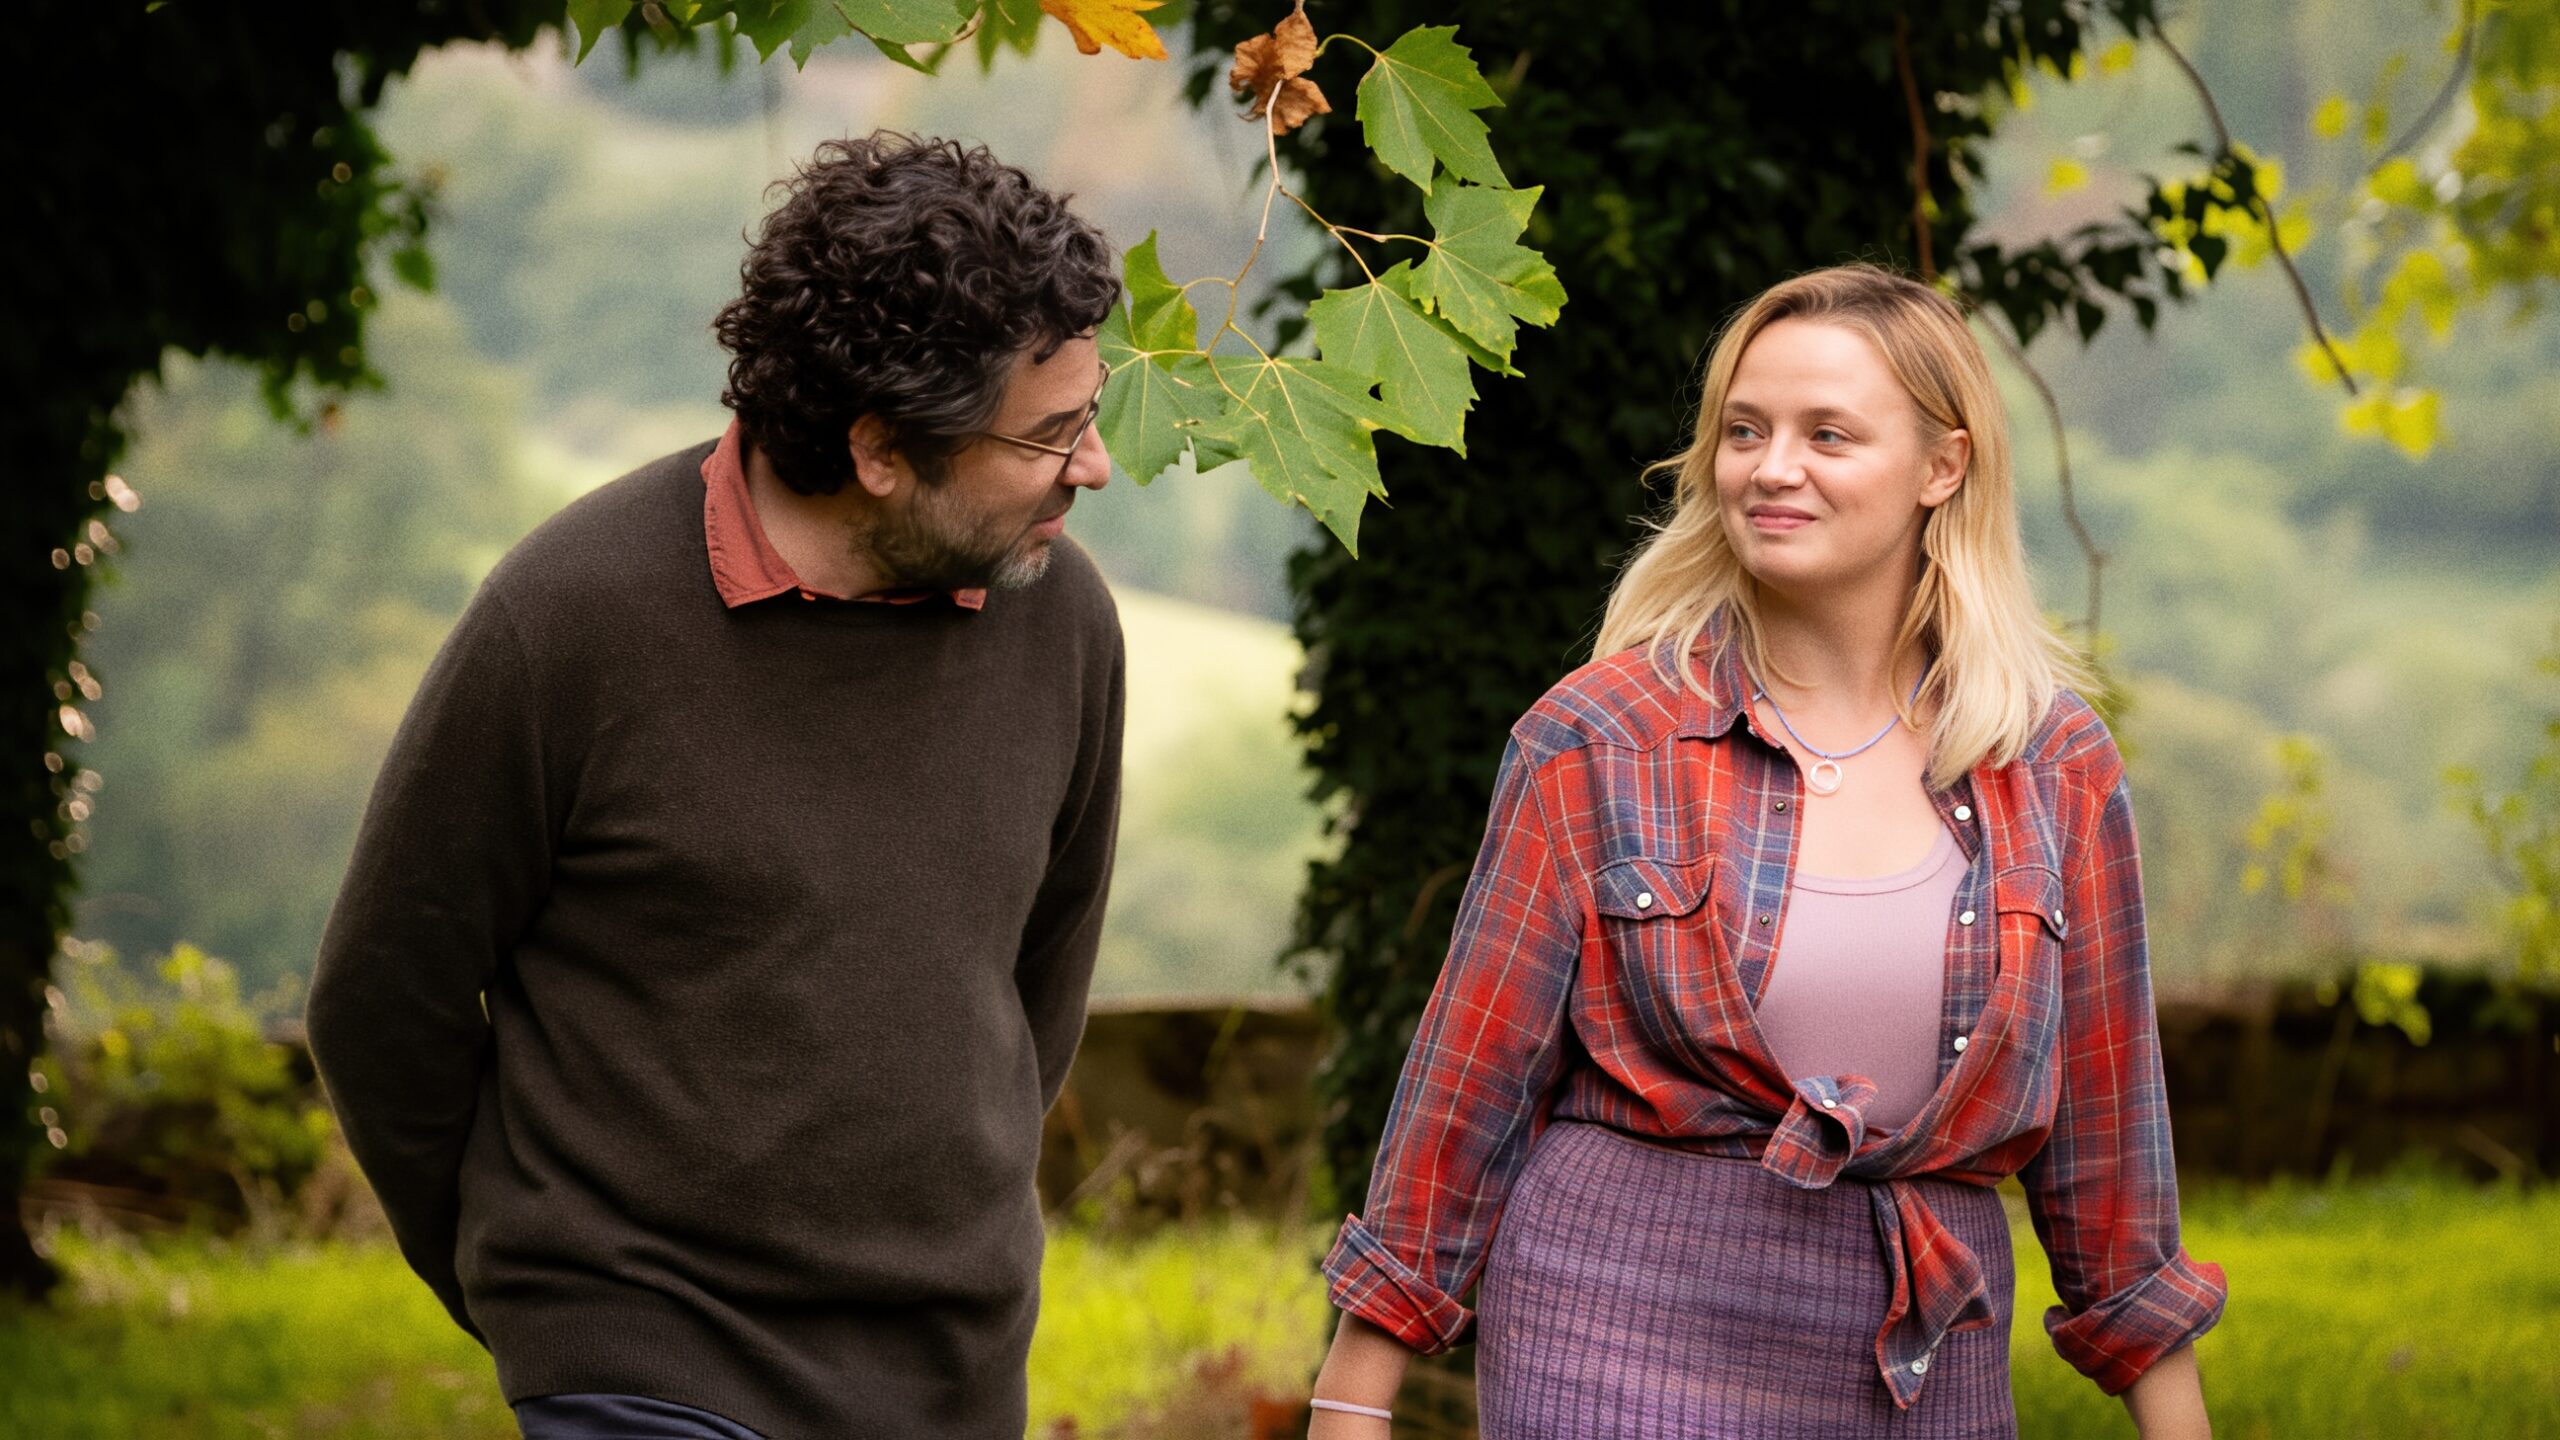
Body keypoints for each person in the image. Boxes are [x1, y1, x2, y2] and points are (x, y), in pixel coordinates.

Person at [1303, 264, 2226, 1439]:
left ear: (1942, 467)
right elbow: (1466, 1089)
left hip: (1924, 1360)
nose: (1771, 468)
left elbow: (2110, 1144)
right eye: (1744, 432)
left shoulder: (2054, 766)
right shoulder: (1598, 738)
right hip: (1614, 1337)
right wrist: (1349, 1403)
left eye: (1826, 434)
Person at [305, 133, 1127, 1440]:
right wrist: (534, 1286)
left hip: (954, 1370)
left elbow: (1041, 976)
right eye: (1051, 435)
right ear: (880, 450)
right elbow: (382, 999)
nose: (1093, 466)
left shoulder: (1062, 618)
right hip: (642, 1359)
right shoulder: (568, 617)